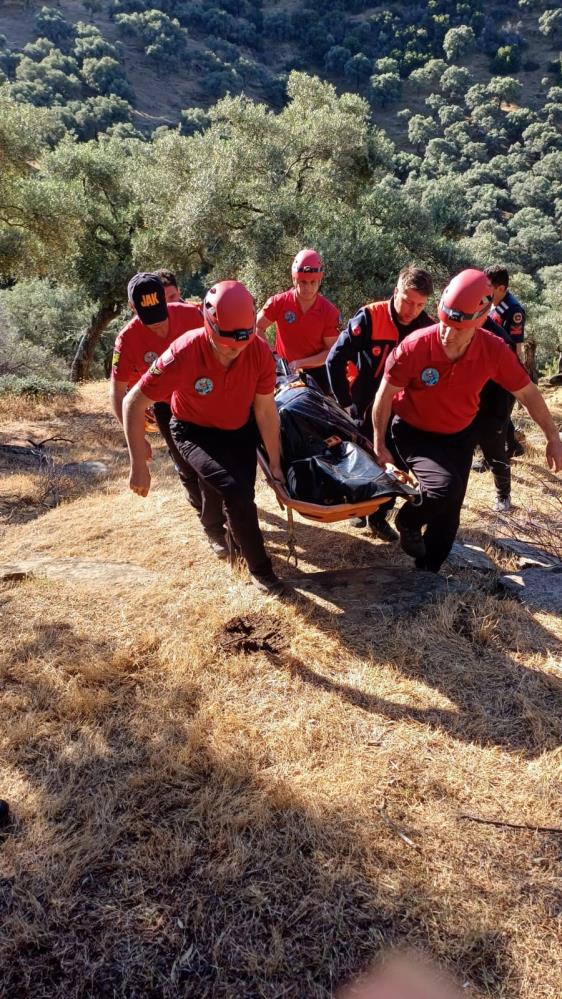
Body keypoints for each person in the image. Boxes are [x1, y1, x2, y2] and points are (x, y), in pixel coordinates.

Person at [373, 269, 562, 573]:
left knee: (449, 516)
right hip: (414, 431)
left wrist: (553, 437)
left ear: (479, 321)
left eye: (458, 328)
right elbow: (384, 397)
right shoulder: (414, 347)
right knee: (442, 489)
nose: (447, 333)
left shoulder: (493, 350)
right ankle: (407, 520)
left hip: (459, 434)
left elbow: (527, 392)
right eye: (445, 324)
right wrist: (379, 443)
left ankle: (427, 572)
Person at [123, 279, 286, 596]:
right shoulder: (184, 350)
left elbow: (266, 411)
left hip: (239, 430)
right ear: (209, 326)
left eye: (242, 342)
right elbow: (133, 401)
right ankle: (262, 572)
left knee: (224, 491)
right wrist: (138, 465)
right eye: (226, 344)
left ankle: (215, 530)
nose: (234, 350)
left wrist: (275, 464)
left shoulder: (259, 352)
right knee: (236, 492)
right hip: (193, 431)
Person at [109, 272, 226, 546]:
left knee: (213, 460)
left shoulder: (190, 314)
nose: (160, 327)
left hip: (201, 395)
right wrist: (136, 443)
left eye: (161, 313)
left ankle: (219, 522)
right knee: (186, 466)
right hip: (164, 405)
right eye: (149, 318)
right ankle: (209, 522)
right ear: (132, 308)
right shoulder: (126, 340)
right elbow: (117, 392)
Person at [326, 265, 434, 542]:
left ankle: (379, 515)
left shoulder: (427, 327)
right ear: (395, 291)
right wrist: (345, 402)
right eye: (407, 301)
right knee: (363, 458)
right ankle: (359, 509)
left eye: (419, 304)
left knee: (396, 461)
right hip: (365, 403)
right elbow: (335, 359)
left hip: (402, 409)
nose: (411, 310)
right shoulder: (371, 317)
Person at [256, 248, 342, 394]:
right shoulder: (279, 302)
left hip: (316, 375)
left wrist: (301, 363)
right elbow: (256, 327)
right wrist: (273, 355)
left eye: (313, 282)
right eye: (303, 282)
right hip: (284, 371)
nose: (308, 288)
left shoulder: (329, 312)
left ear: (320, 280)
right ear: (294, 279)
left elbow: (331, 351)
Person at [484, 265, 527, 459]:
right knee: (499, 410)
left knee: (495, 413)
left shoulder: (513, 310)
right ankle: (515, 446)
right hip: (490, 364)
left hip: (504, 368)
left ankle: (493, 456)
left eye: (489, 286)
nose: (486, 290)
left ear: (501, 288)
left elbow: (516, 346)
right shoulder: (493, 303)